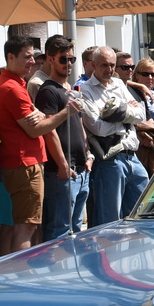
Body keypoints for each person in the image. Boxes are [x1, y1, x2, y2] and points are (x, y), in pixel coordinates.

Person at [0, 36, 72, 255]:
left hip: (21, 162)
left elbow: (38, 121)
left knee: (15, 225)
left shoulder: (14, 83)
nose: (32, 62)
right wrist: (67, 112)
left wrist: (41, 117)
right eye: (26, 57)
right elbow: (35, 128)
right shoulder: (12, 87)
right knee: (27, 226)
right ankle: (20, 276)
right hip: (24, 163)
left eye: (33, 57)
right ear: (10, 57)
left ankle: (11, 275)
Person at [75, 47, 148, 225]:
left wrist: (113, 114)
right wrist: (125, 116)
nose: (109, 70)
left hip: (132, 156)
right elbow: (97, 127)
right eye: (104, 65)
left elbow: (141, 115)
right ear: (93, 65)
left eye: (112, 65)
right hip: (110, 159)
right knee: (110, 220)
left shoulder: (119, 84)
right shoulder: (86, 90)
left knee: (142, 213)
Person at [33, 37, 89, 242]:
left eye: (72, 60)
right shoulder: (48, 90)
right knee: (60, 230)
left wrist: (89, 153)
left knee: (76, 229)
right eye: (64, 59)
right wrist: (62, 164)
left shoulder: (70, 89)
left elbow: (80, 124)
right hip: (63, 171)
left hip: (81, 169)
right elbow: (49, 130)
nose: (68, 64)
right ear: (51, 59)